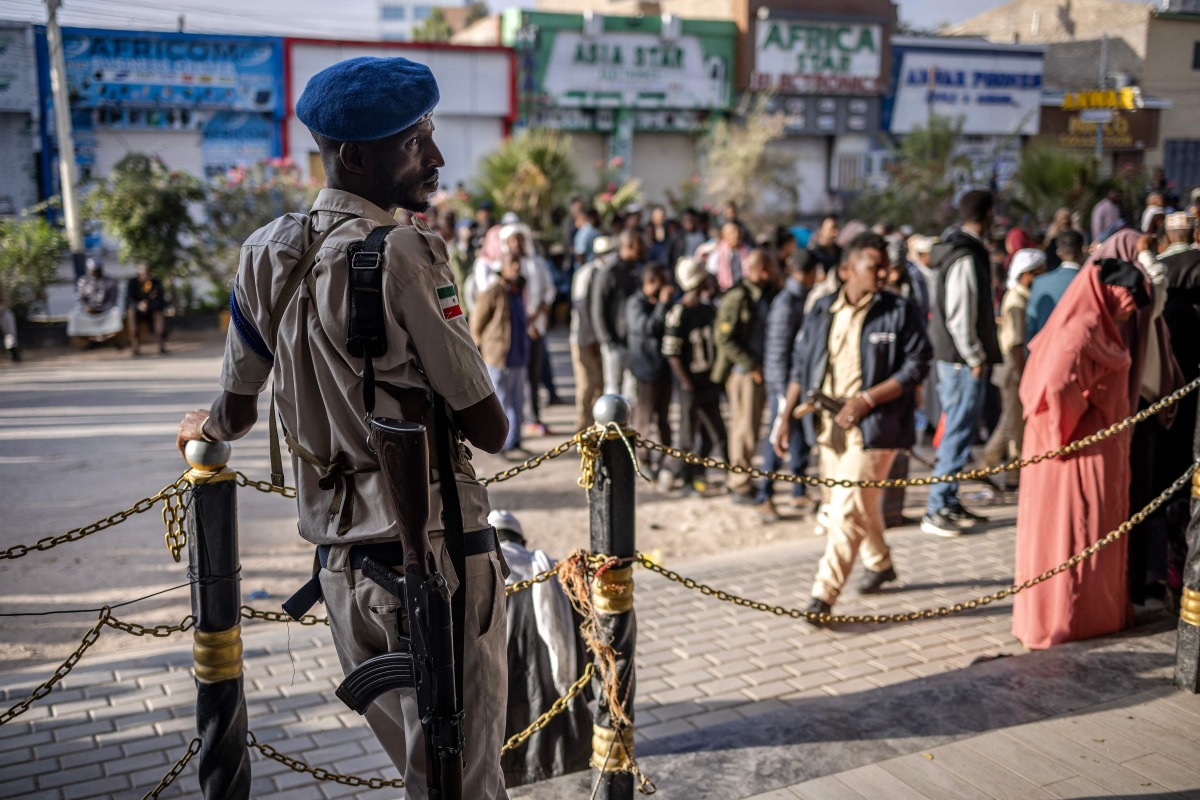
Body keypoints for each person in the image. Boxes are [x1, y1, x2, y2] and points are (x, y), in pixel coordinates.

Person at [176, 55, 511, 799]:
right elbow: (489, 426)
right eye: (415, 142)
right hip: (435, 557)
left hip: (342, 570)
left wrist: (207, 426)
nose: (437, 158)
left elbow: (233, 409)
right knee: (467, 781)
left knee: (425, 774)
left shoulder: (265, 252)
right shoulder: (407, 253)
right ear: (356, 156)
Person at [774, 232, 931, 621]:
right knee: (858, 503)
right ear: (846, 270)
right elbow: (800, 363)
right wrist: (784, 417)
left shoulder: (900, 310)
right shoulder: (821, 309)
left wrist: (866, 400)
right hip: (829, 427)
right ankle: (879, 563)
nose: (883, 272)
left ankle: (822, 596)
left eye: (884, 266)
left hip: (877, 427)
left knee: (846, 509)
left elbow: (915, 367)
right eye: (873, 266)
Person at [1012, 259, 1151, 649]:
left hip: (1091, 449)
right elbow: (1054, 386)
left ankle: (1093, 615)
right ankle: (1066, 619)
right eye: (1127, 302)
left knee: (1089, 531)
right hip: (1073, 455)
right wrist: (1073, 425)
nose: (1129, 312)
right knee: (1072, 532)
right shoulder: (1081, 330)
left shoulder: (1097, 328)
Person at [921, 190, 1003, 537]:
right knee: (956, 431)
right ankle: (936, 507)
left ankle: (948, 499)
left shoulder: (957, 249)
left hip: (954, 359)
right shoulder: (965, 255)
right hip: (960, 361)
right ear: (985, 216)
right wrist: (975, 356)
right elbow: (959, 314)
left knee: (961, 431)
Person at [491, 510, 592, 787]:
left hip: (498, 725)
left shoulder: (476, 581)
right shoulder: (553, 572)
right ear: (522, 540)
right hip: (558, 734)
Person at [712, 249, 778, 504]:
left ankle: (743, 478)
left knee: (751, 429)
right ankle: (739, 483)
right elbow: (724, 338)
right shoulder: (738, 297)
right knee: (743, 430)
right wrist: (751, 365)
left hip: (757, 371)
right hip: (744, 374)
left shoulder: (763, 294)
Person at [757, 248, 815, 521]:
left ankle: (798, 490)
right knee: (777, 438)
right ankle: (764, 495)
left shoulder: (800, 299)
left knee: (800, 438)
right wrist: (783, 390)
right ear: (812, 273)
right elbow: (779, 348)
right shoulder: (787, 302)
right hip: (784, 382)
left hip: (796, 382)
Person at [982, 248, 1046, 482]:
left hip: (1013, 368)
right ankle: (1007, 471)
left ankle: (992, 463)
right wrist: (1024, 376)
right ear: (1027, 273)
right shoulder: (1017, 300)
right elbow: (1016, 343)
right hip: (1013, 369)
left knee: (1009, 420)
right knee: (1013, 424)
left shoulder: (1021, 296)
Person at [662, 257, 726, 495]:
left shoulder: (708, 310)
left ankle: (697, 472)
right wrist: (687, 383)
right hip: (690, 385)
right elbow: (672, 354)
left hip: (708, 382)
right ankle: (682, 477)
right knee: (687, 435)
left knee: (714, 433)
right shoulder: (678, 314)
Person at [472, 252, 531, 457]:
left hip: (518, 355)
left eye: (518, 262)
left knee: (518, 402)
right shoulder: (492, 291)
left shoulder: (519, 289)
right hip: (498, 356)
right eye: (512, 262)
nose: (516, 267)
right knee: (501, 403)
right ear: (503, 268)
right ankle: (503, 445)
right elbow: (477, 325)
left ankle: (515, 441)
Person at [626, 263, 674, 476]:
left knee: (663, 418)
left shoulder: (658, 303)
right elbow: (648, 327)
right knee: (644, 419)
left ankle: (665, 460)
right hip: (646, 371)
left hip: (663, 370)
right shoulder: (635, 304)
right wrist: (662, 304)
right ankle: (643, 460)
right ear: (649, 283)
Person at [591, 229, 645, 398]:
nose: (642, 248)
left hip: (633, 340)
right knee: (613, 390)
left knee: (632, 391)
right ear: (628, 246)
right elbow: (597, 308)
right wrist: (607, 339)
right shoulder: (609, 272)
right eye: (638, 244)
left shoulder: (637, 270)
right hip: (615, 341)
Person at [569, 235, 613, 431]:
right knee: (586, 384)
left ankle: (596, 426)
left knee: (600, 383)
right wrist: (591, 337)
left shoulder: (607, 273)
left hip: (598, 338)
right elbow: (582, 309)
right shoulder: (587, 273)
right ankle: (583, 426)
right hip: (583, 339)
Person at [1026, 230, 1086, 344]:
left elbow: (1031, 326)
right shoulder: (1092, 283)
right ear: (1083, 250)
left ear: (1059, 252)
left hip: (1045, 354)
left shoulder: (1039, 282)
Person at [68, 257, 124, 344]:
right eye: (93, 270)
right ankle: (90, 340)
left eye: (97, 270)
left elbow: (112, 301)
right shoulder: (83, 281)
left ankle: (108, 339)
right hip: (88, 313)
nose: (95, 272)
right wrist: (87, 308)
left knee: (116, 312)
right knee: (74, 315)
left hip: (105, 312)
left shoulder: (111, 282)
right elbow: (80, 300)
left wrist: (100, 309)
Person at [126, 263, 167, 356]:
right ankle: (135, 346)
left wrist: (148, 305)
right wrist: (138, 305)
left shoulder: (155, 283)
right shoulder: (133, 283)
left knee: (159, 314)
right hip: (138, 311)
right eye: (142, 274)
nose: (145, 276)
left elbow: (159, 300)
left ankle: (161, 345)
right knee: (131, 312)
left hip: (152, 310)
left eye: (147, 274)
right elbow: (129, 299)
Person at [705, 221, 751, 293]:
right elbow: (711, 276)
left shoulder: (749, 252)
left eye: (738, 232)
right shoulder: (716, 255)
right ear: (724, 235)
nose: (736, 235)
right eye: (732, 233)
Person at [1, 282, 19, 362]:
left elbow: (6, 300)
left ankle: (13, 352)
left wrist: (1, 309)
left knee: (9, 333)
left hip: (2, 312)